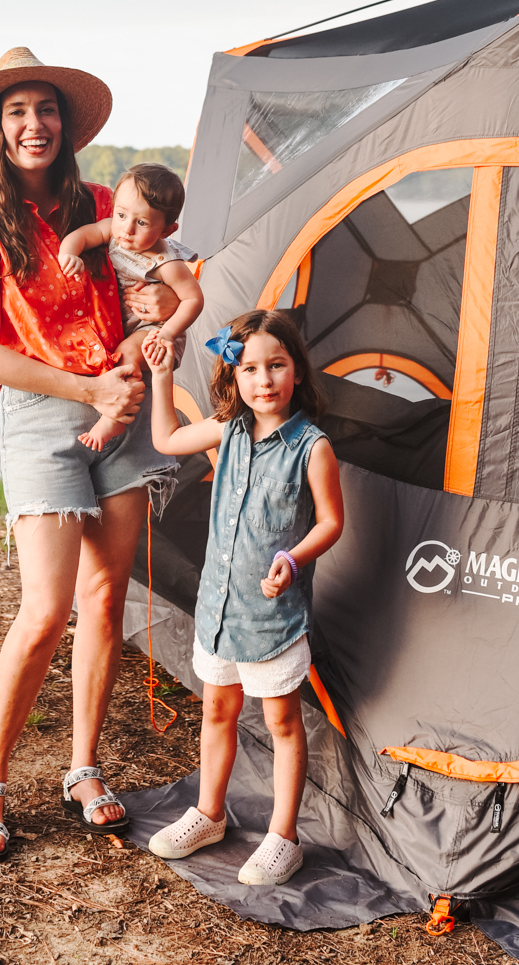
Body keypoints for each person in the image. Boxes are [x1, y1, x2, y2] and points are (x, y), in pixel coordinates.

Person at [0, 47, 182, 863]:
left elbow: (150, 293)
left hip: (118, 403)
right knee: (46, 609)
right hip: (46, 411)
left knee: (107, 599)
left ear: (64, 125)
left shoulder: (113, 205)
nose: (33, 123)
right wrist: (87, 394)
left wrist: (150, 324)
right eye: (16, 112)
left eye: (45, 109)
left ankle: (83, 767)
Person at [142, 310, 345, 887]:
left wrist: (291, 559)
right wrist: (161, 376)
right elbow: (166, 439)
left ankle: (284, 837)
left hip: (274, 618)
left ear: (297, 372)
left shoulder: (312, 447)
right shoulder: (228, 430)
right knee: (217, 710)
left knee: (282, 722)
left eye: (276, 366)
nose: (264, 380)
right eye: (250, 368)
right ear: (234, 378)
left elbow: (331, 522)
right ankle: (208, 814)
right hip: (219, 610)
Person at [58, 162, 204, 451]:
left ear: (167, 229)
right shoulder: (114, 232)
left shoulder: (166, 262)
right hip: (129, 322)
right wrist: (69, 254)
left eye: (142, 222)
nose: (126, 228)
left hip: (154, 328)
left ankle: (114, 418)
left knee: (125, 354)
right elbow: (83, 236)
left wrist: (167, 333)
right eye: (121, 214)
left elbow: (194, 299)